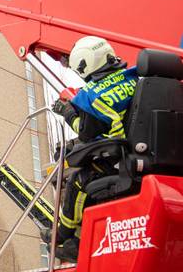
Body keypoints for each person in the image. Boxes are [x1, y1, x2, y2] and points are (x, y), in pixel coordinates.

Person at [42, 36, 139, 262]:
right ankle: (80, 238)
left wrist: (68, 113)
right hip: (139, 152)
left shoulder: (93, 96)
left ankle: (64, 234)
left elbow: (85, 131)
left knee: (79, 180)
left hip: (118, 156)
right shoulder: (132, 77)